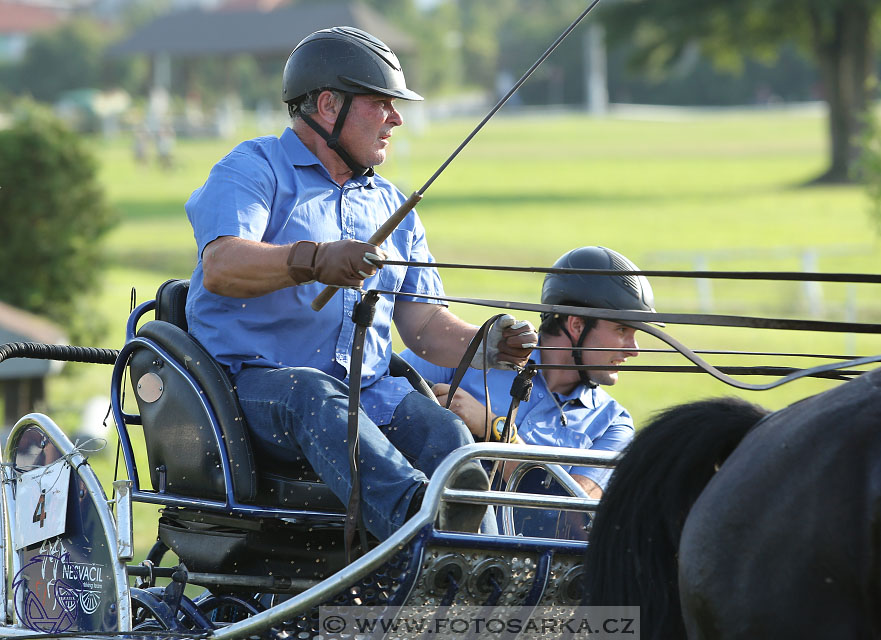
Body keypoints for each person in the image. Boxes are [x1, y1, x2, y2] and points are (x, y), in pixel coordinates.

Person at [183, 27, 535, 541]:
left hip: (366, 394)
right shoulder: (253, 169)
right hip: (252, 394)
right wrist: (316, 259)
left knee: (448, 432)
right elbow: (222, 265)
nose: (395, 119)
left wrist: (488, 345)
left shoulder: (392, 205)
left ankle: (486, 568)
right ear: (328, 105)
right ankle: (422, 525)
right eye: (381, 104)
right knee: (314, 395)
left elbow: (424, 324)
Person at [400, 246, 657, 538]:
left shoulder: (613, 424)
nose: (634, 349)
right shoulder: (474, 353)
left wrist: (496, 428)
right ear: (576, 324)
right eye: (623, 330)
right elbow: (381, 395)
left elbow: (571, 514)